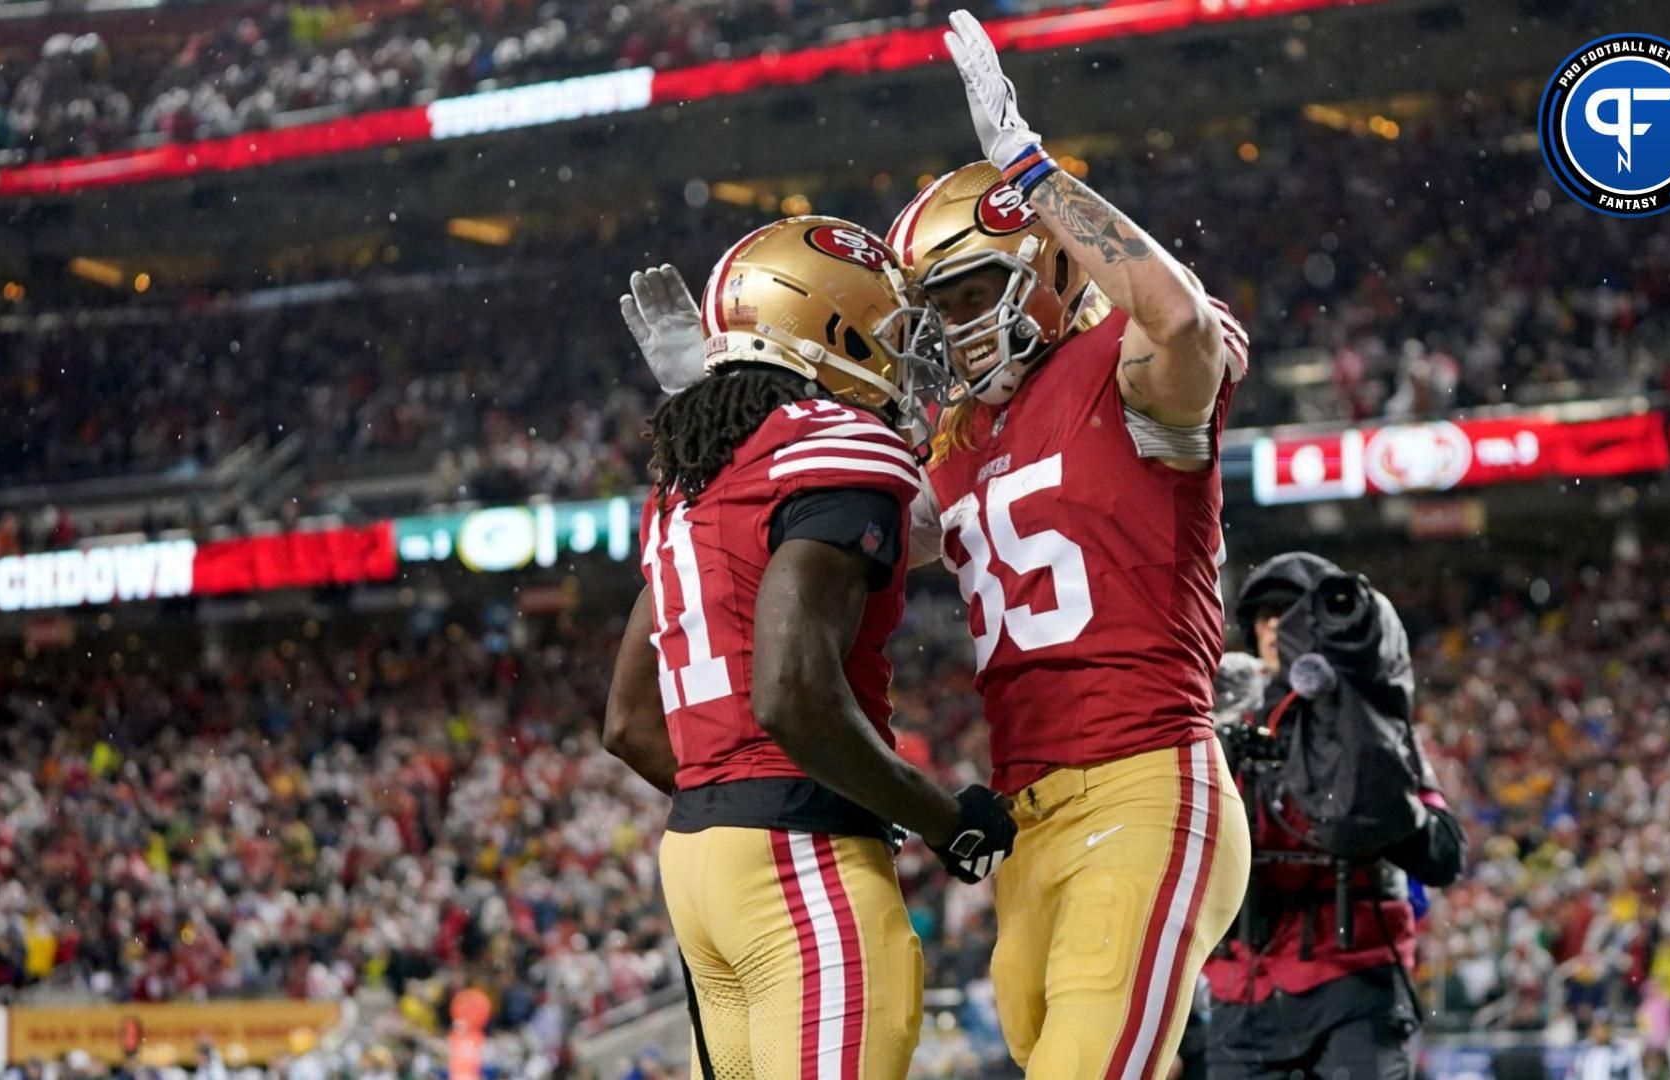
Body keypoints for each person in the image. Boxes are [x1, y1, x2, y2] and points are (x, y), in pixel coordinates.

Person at [622, 14, 1253, 1074]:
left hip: (1148, 778)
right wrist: (719, 394)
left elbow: (1183, 326)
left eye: (968, 292)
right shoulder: (957, 436)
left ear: (1046, 260)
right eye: (934, 306)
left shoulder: (1124, 364)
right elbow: (782, 536)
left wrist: (1034, 171)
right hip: (1025, 813)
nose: (950, 328)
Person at [604, 215, 1018, 1080]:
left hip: (697, 864)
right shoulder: (836, 448)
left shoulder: (686, 483)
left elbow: (630, 724)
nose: (904, 359)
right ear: (833, 329)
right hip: (801, 865)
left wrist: (738, 798)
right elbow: (791, 695)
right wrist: (945, 822)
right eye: (890, 332)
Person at [1201, 552, 1468, 1080]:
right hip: (1242, 996)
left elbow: (1444, 853)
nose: (1276, 624)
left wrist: (1381, 807)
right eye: (1264, 614)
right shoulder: (1221, 725)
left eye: (1293, 610)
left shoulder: (1378, 734)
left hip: (1354, 988)